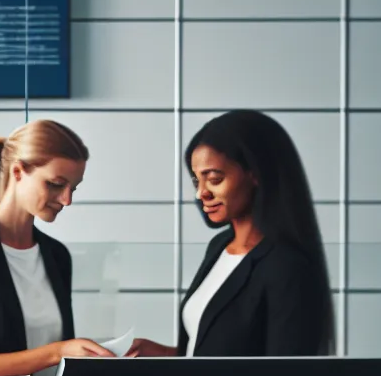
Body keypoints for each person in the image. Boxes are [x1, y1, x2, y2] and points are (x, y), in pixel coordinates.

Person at [129, 110, 334, 357]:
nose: (201, 193)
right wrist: (163, 354)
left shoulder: (287, 266)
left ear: (256, 174)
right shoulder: (220, 246)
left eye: (214, 179)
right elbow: (212, 352)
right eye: (197, 181)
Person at [0, 120, 116, 376]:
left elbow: (62, 357)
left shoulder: (57, 256)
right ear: (19, 172)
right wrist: (57, 352)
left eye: (73, 188)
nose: (67, 200)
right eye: (56, 184)